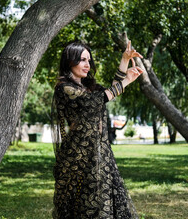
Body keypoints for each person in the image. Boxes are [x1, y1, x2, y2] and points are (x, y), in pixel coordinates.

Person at [51, 40, 144, 219]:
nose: (88, 65)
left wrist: (124, 60)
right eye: (83, 60)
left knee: (104, 204)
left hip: (99, 154)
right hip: (77, 158)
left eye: (89, 60)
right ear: (70, 61)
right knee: (84, 205)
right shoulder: (64, 88)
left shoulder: (89, 88)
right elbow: (94, 101)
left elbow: (109, 91)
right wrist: (125, 82)